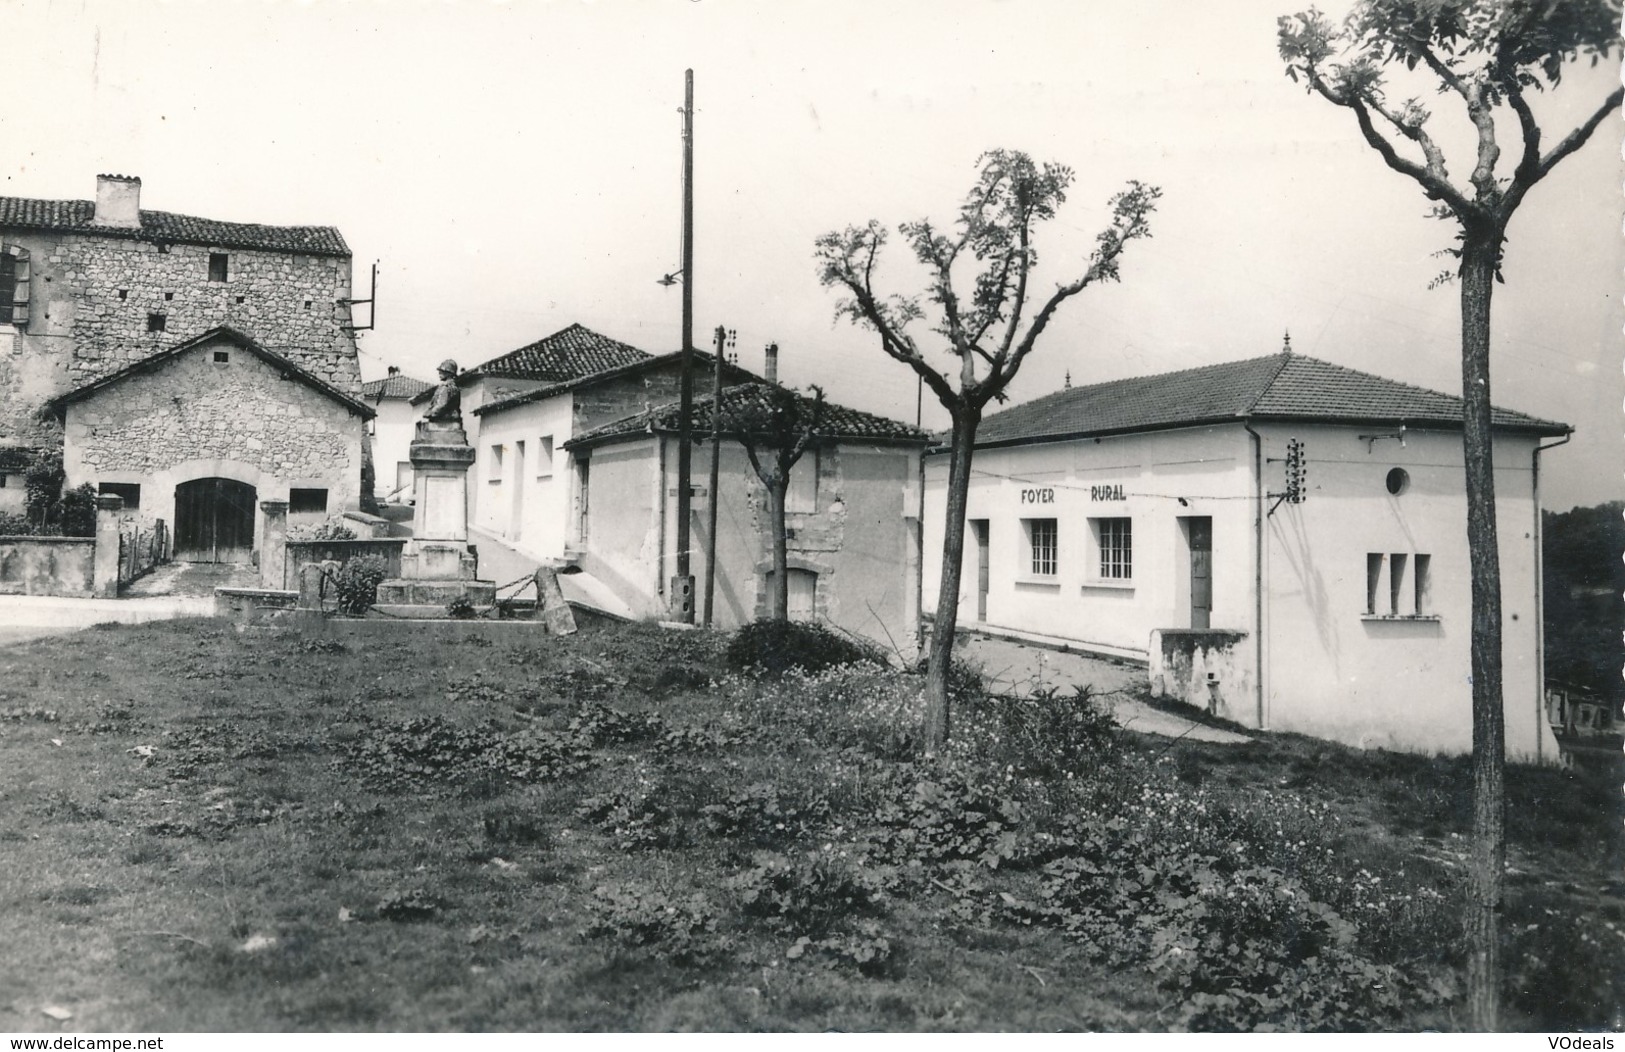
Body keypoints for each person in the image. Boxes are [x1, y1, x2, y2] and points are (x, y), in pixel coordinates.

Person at [422, 359, 461, 424]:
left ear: (448, 373)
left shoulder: (446, 387)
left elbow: (441, 405)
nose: (439, 373)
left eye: (442, 372)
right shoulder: (453, 386)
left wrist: (430, 413)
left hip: (443, 421)